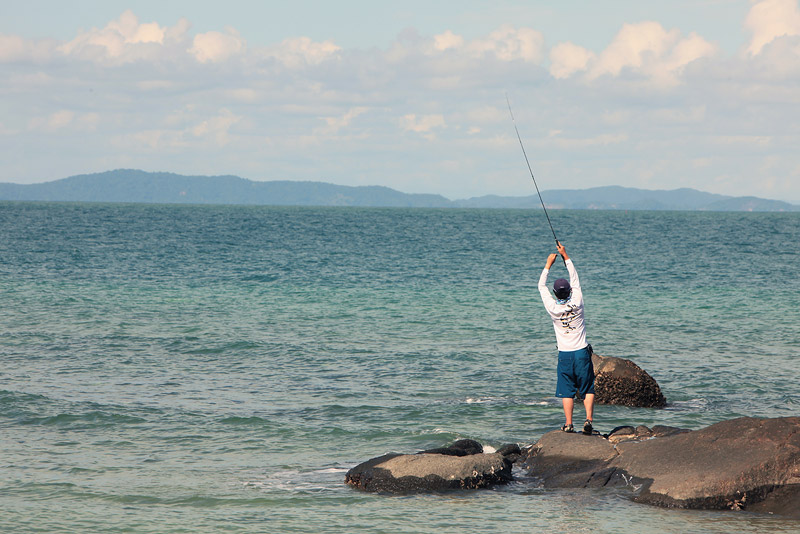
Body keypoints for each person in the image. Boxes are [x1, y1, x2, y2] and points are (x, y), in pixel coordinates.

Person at [538, 241, 595, 435]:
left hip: (565, 355)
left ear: (555, 293)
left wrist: (548, 264)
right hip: (581, 353)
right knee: (587, 388)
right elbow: (575, 277)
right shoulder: (578, 300)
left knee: (567, 390)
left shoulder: (553, 308)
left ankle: (569, 424)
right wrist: (565, 256)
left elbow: (540, 286)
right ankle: (588, 420)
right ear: (570, 290)